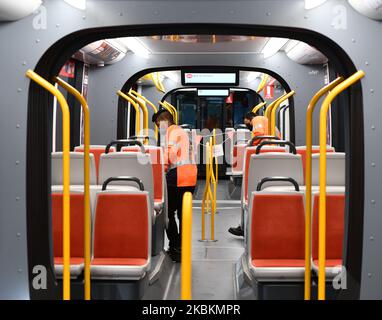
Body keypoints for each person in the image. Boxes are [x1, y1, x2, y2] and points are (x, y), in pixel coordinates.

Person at [152, 109, 198, 262]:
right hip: (191, 176)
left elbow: (169, 154)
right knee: (183, 214)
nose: (159, 129)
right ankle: (182, 247)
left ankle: (175, 246)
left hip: (178, 176)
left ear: (165, 121)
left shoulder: (171, 132)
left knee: (168, 213)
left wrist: (160, 169)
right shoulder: (182, 132)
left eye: (159, 125)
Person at [228, 111, 280, 237]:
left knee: (249, 190)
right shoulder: (267, 121)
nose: (246, 125)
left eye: (246, 122)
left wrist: (250, 145)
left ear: (248, 118)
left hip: (263, 155)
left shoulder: (257, 119)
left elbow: (258, 135)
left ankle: (245, 227)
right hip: (273, 153)